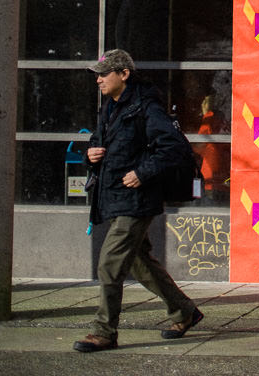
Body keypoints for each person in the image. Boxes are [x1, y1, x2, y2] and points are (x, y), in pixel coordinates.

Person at [73, 49, 204, 353]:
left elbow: (172, 149)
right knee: (140, 262)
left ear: (124, 74)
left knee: (109, 264)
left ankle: (104, 331)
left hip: (137, 198)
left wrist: (143, 173)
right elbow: (99, 143)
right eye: (97, 75)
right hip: (115, 197)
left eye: (104, 74)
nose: (99, 80)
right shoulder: (110, 107)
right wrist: (90, 155)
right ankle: (184, 311)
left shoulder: (147, 106)